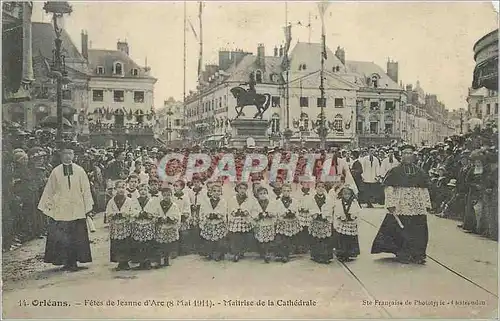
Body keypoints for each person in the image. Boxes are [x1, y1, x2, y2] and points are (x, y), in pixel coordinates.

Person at [371, 144, 431, 264]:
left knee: (418, 229)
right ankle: (402, 253)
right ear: (401, 155)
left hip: (416, 205)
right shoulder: (394, 171)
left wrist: (426, 203)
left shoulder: (420, 171)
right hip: (400, 204)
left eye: (410, 153)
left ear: (414, 156)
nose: (408, 156)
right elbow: (388, 188)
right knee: (400, 229)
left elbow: (424, 188)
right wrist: (390, 203)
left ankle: (418, 254)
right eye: (405, 153)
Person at [38, 144, 94, 271]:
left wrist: (88, 206)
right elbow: (49, 190)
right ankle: (65, 261)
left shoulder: (80, 171)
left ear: (74, 155)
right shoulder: (55, 172)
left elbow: (86, 189)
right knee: (63, 237)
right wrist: (48, 207)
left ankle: (74, 261)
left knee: (76, 236)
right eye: (65, 154)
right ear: (61, 156)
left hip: (77, 207)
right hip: (61, 209)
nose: (68, 156)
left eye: (70, 153)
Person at [107, 180, 137, 271]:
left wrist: (126, 214)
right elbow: (108, 212)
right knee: (117, 244)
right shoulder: (111, 201)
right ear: (115, 189)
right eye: (119, 187)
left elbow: (132, 211)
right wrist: (114, 214)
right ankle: (120, 262)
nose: (121, 190)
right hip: (116, 226)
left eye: (123, 187)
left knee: (126, 243)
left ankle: (126, 262)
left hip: (125, 225)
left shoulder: (129, 200)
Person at [130, 183, 160, 270]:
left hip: (148, 224)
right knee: (139, 244)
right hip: (138, 224)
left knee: (148, 243)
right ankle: (141, 262)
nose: (143, 192)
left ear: (148, 191)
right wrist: (138, 214)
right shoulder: (135, 201)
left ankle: (148, 262)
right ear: (138, 191)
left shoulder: (151, 201)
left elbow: (155, 211)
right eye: (141, 190)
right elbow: (132, 210)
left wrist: (147, 214)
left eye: (145, 190)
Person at [199, 181, 228, 261]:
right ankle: (209, 253)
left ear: (221, 192)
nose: (216, 193)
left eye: (218, 191)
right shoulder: (206, 201)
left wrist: (217, 215)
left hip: (219, 223)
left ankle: (219, 253)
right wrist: (208, 215)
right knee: (209, 240)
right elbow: (203, 210)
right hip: (209, 222)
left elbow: (223, 211)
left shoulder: (222, 201)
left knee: (219, 240)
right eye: (214, 191)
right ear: (210, 192)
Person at [332, 184, 361, 262]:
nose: (347, 196)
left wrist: (353, 216)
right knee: (342, 238)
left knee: (350, 239)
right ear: (342, 194)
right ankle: (341, 253)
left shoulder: (354, 202)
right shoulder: (339, 202)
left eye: (348, 194)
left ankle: (350, 253)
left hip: (350, 222)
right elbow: (337, 210)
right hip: (343, 222)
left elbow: (357, 211)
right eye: (345, 194)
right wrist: (340, 216)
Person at [227, 182, 255, 262]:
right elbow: (230, 207)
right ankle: (236, 253)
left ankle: (241, 252)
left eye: (244, 189)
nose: (242, 190)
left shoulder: (248, 199)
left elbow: (250, 208)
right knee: (236, 237)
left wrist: (246, 211)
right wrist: (234, 211)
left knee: (243, 237)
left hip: (244, 220)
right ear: (237, 189)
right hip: (235, 220)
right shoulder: (233, 198)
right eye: (240, 188)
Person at [155, 186, 181, 268]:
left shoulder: (174, 205)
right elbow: (156, 214)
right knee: (160, 245)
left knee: (168, 245)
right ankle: (159, 260)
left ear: (171, 195)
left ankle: (167, 259)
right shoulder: (159, 205)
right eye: (165, 195)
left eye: (168, 195)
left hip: (170, 227)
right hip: (161, 227)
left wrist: (170, 218)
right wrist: (160, 219)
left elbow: (177, 215)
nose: (166, 197)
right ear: (162, 195)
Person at [308, 181, 334, 264]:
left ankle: (326, 256)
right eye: (318, 187)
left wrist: (325, 215)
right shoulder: (312, 198)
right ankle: (317, 256)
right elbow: (311, 208)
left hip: (325, 220)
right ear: (315, 188)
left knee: (325, 240)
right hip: (316, 220)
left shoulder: (328, 199)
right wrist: (316, 214)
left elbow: (330, 208)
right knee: (316, 239)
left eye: (322, 187)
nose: (320, 188)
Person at [275, 183, 301, 263]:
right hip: (282, 222)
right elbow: (277, 211)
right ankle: (283, 254)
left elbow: (296, 210)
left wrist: (292, 212)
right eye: (284, 191)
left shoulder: (294, 200)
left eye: (288, 191)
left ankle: (287, 254)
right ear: (281, 191)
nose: (286, 192)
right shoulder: (278, 201)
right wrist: (283, 214)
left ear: (290, 191)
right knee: (282, 238)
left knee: (289, 239)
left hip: (291, 222)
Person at [252, 187, 278, 263]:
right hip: (260, 224)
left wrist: (269, 214)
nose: (263, 195)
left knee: (268, 240)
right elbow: (253, 212)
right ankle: (262, 252)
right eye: (261, 194)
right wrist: (259, 215)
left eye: (264, 193)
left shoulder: (270, 203)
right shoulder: (256, 203)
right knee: (261, 239)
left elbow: (274, 211)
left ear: (267, 194)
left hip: (268, 223)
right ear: (258, 195)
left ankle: (267, 253)